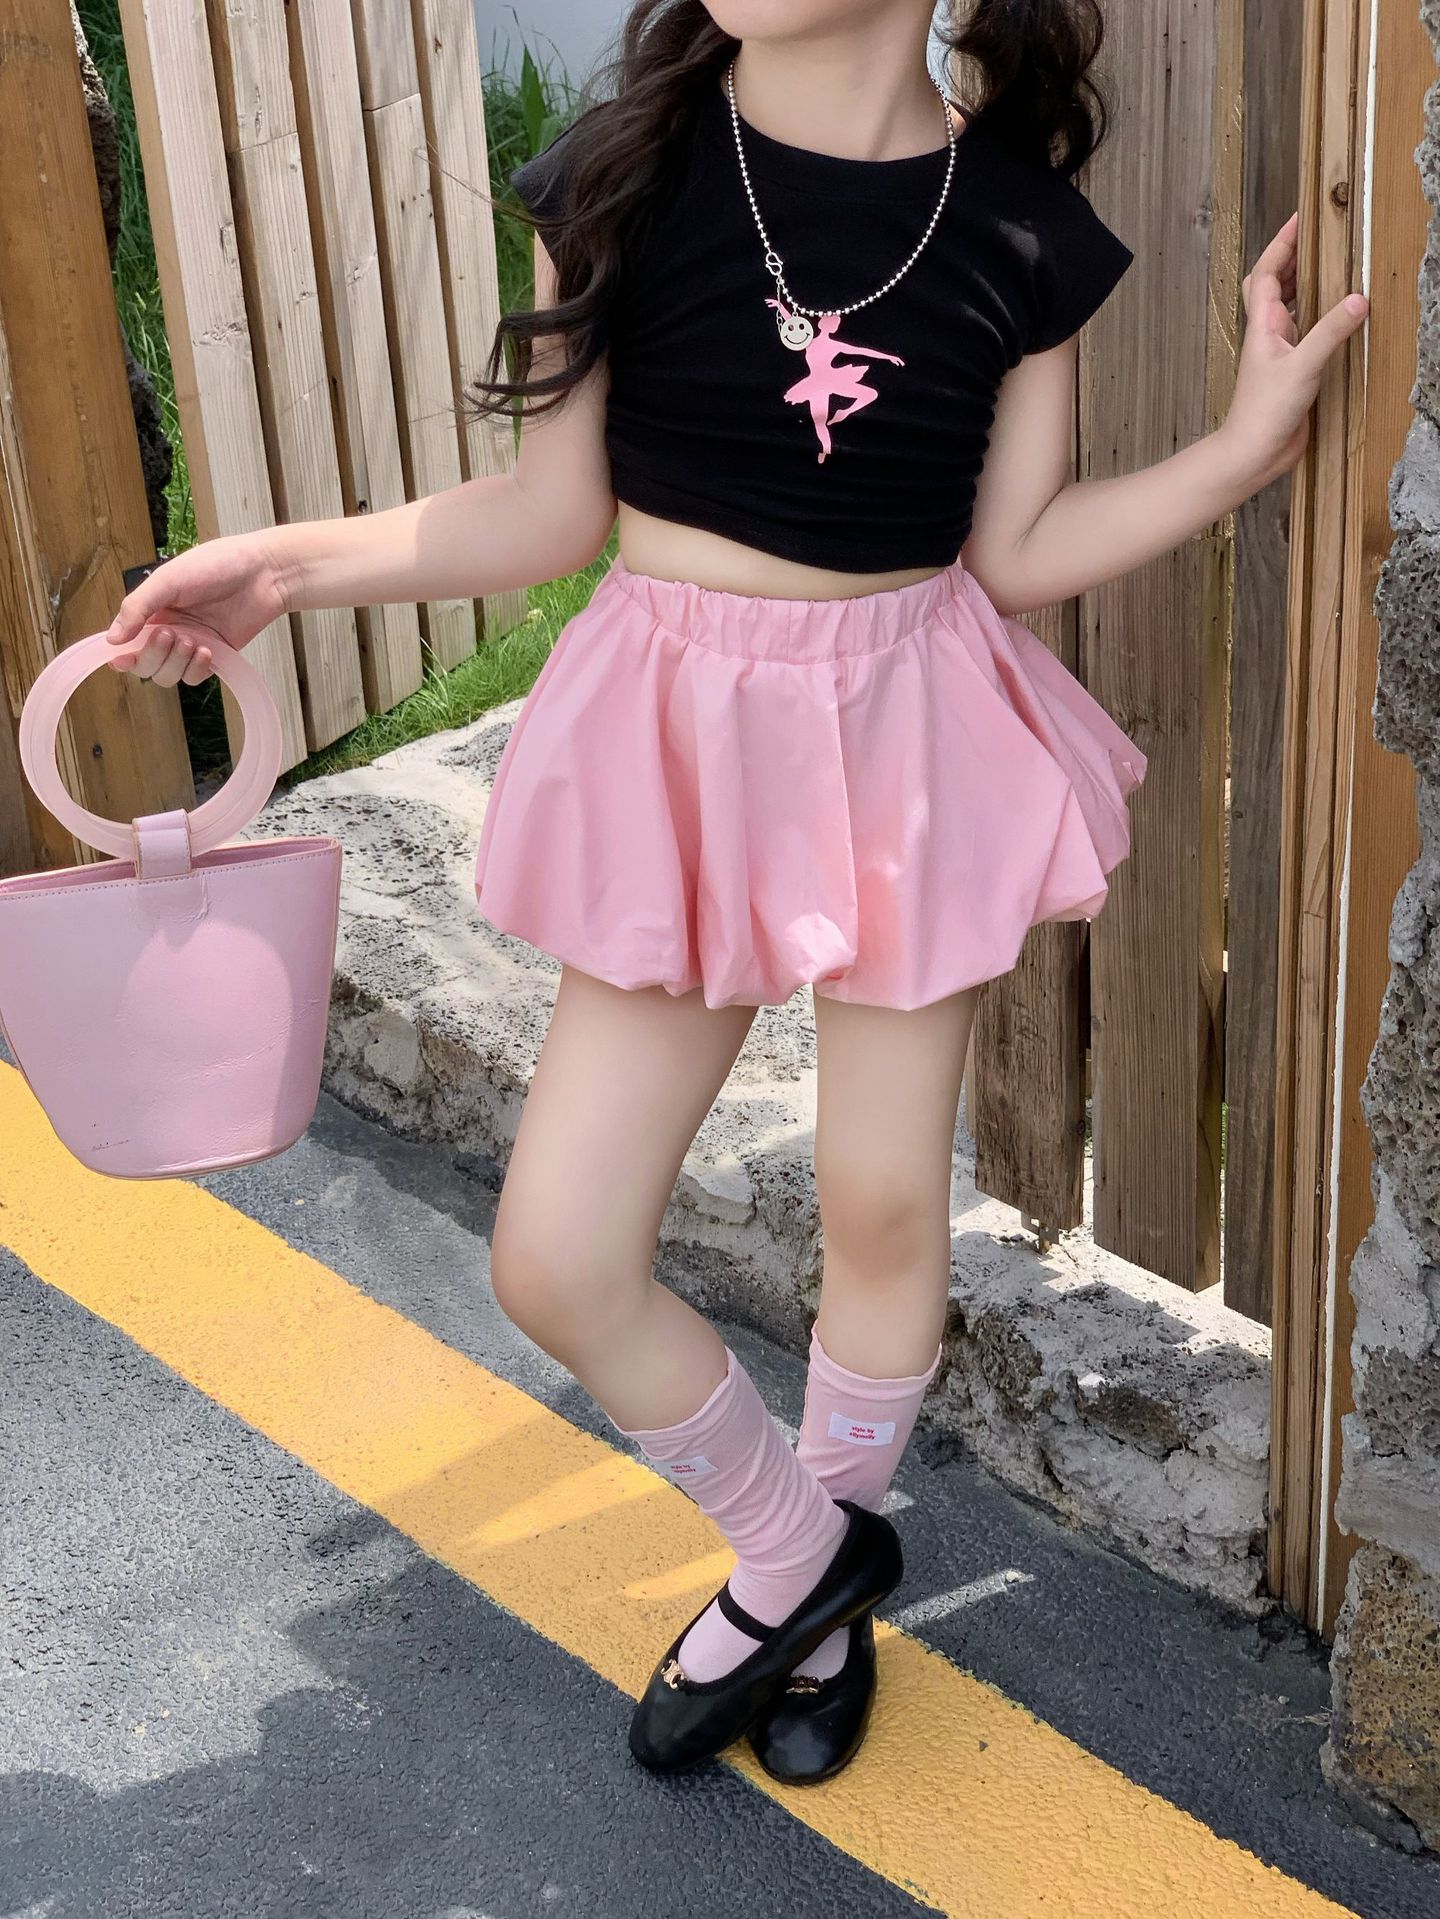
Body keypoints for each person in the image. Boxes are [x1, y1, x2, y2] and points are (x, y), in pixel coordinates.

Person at [103, 0, 1368, 1785]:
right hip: (678, 746)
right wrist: (283, 570)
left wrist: (1239, 452)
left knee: (881, 1207)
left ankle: (811, 1605)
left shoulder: (1016, 227)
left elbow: (1012, 554)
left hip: (902, 742)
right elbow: (546, 518)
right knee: (557, 1254)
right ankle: (800, 1560)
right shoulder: (627, 175)